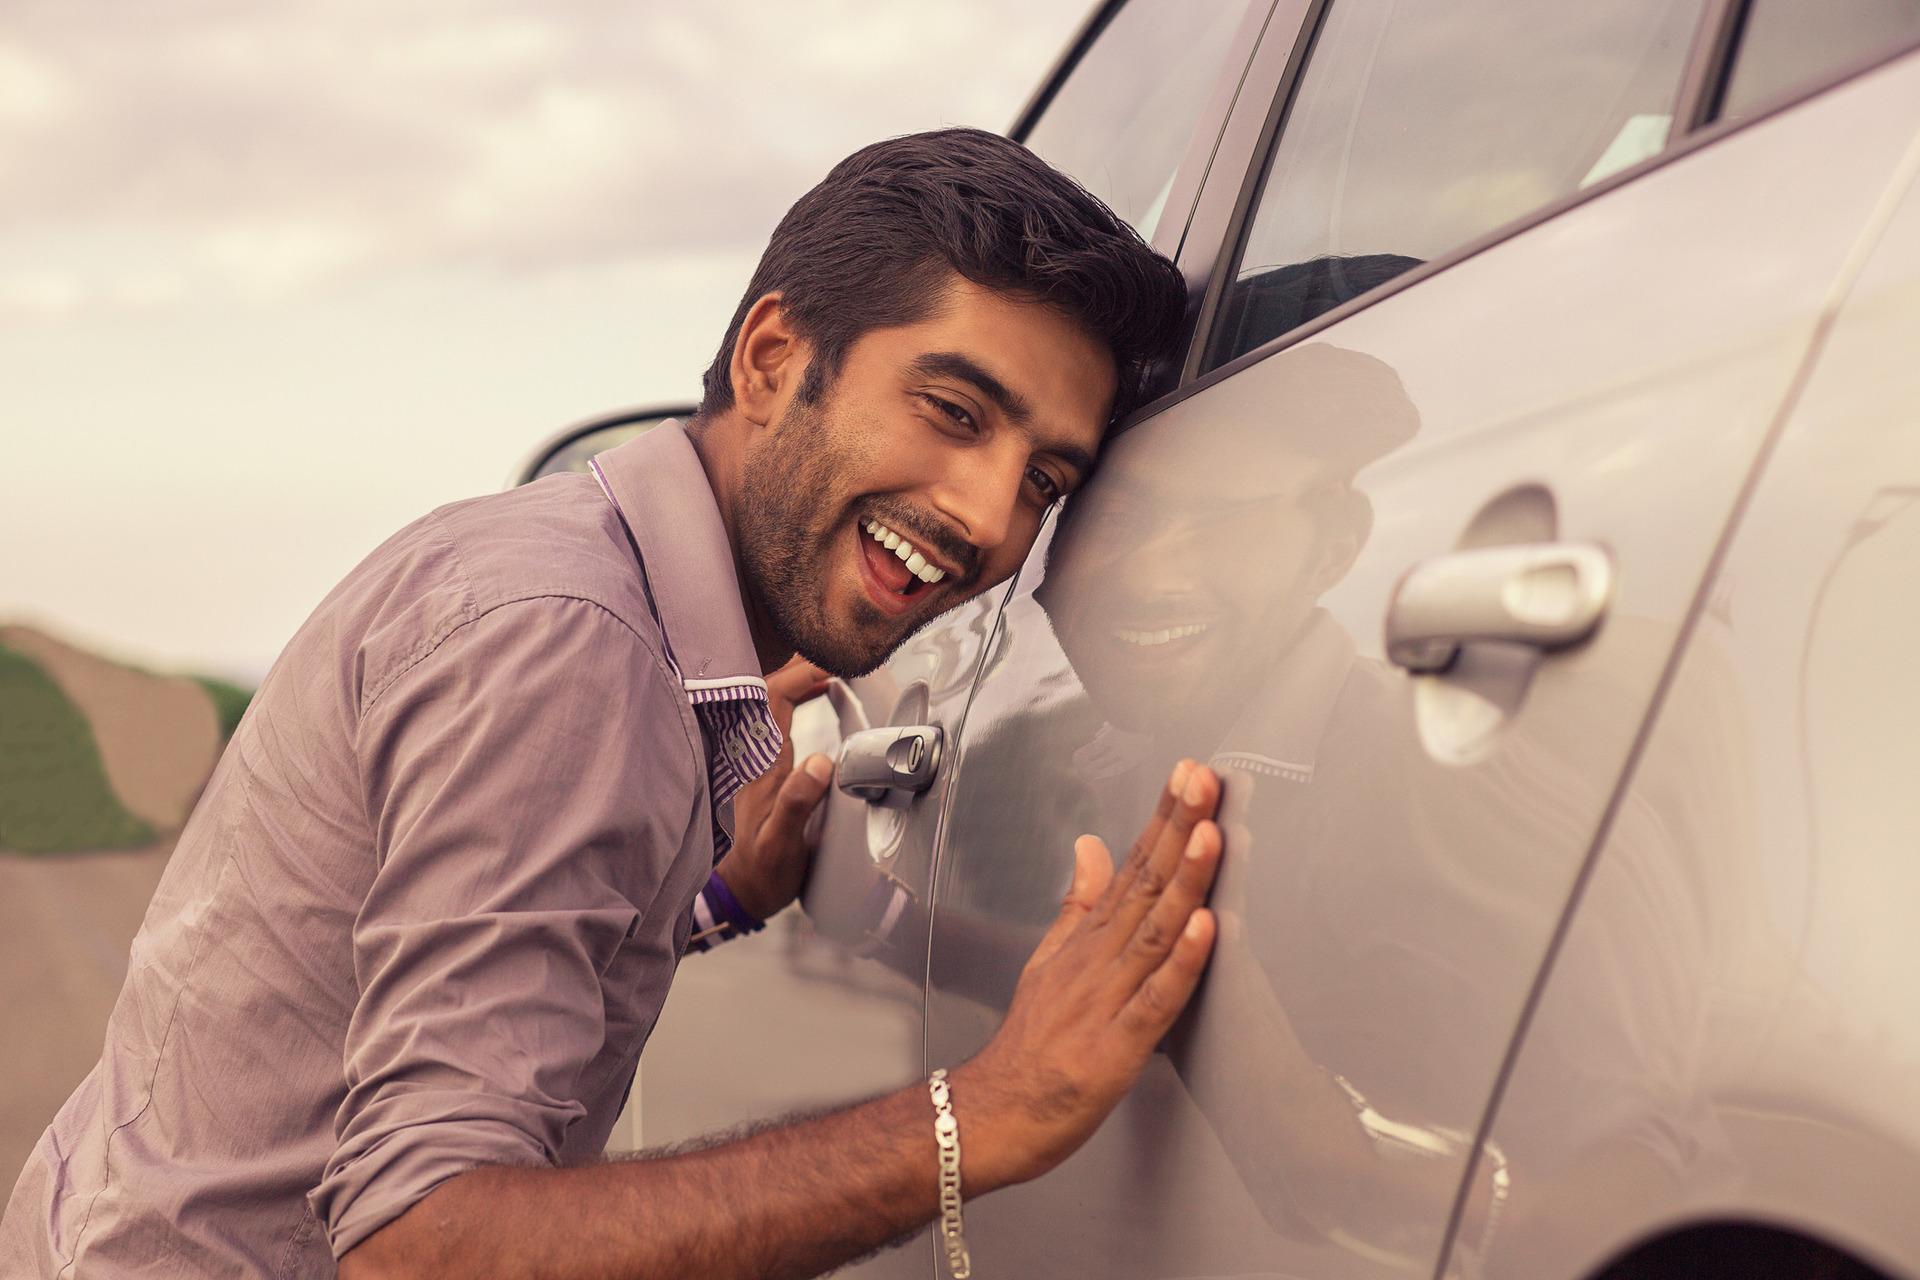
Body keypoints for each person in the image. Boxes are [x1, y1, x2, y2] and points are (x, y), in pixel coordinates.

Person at [2, 128, 1225, 1279]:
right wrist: (988, 1111)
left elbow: (446, 936)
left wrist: (720, 896)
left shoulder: (567, 574)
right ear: (771, 360)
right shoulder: (570, 644)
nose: (987, 516)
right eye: (953, 412)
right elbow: (421, 1240)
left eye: (1046, 479)